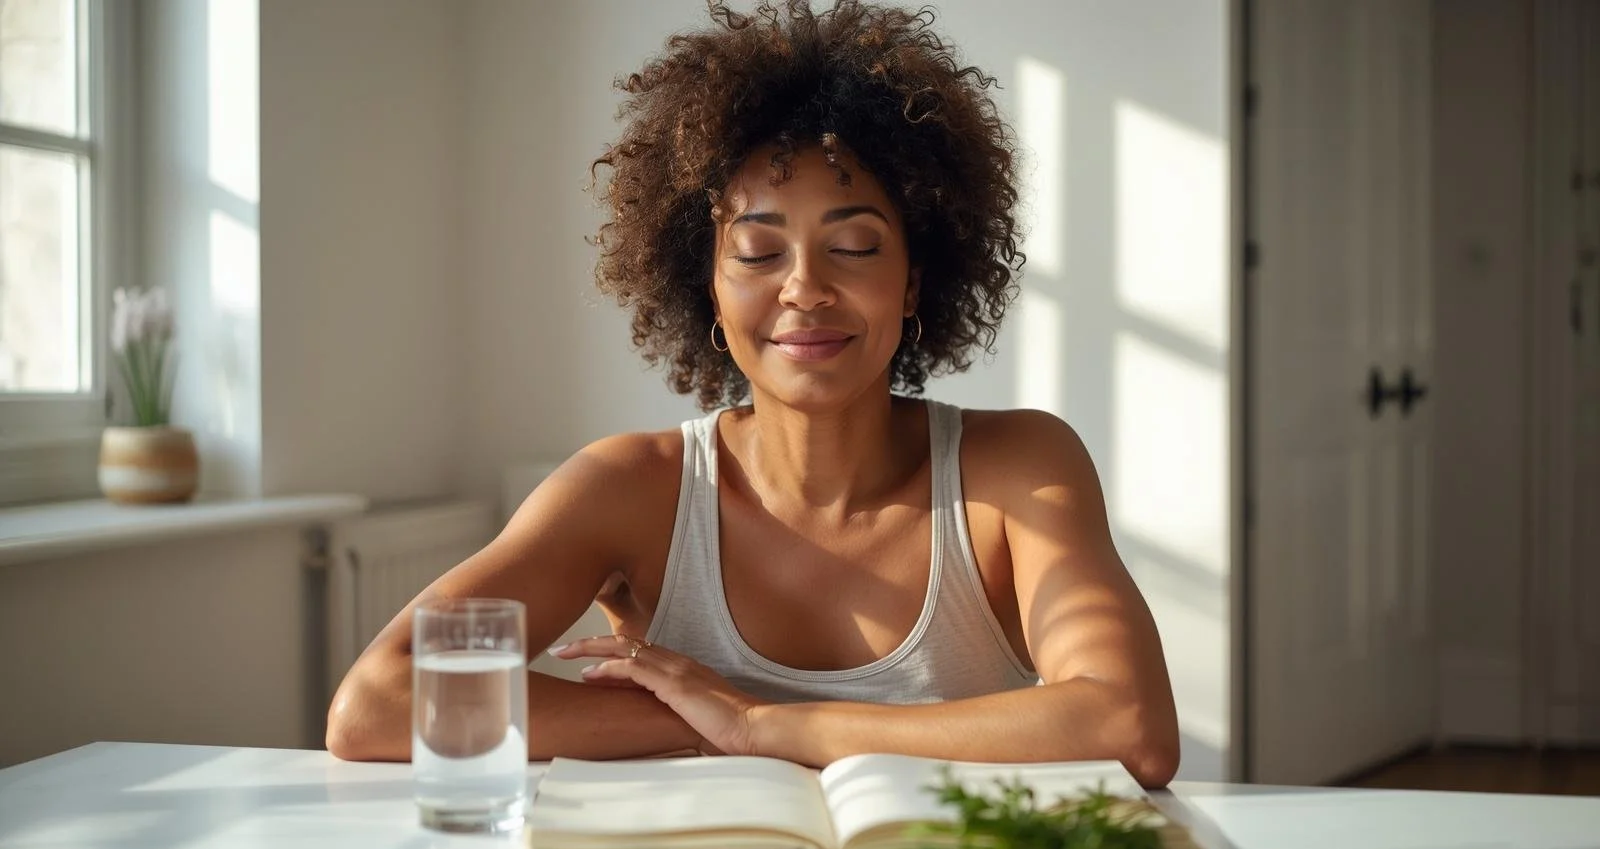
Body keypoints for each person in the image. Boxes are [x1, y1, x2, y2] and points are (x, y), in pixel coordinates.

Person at [327, 0, 1180, 788]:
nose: (805, 288)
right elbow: (376, 704)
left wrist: (761, 724)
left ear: (915, 285)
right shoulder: (633, 488)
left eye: (853, 246)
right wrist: (705, 730)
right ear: (706, 287)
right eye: (759, 252)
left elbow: (1129, 724)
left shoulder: (1016, 470)